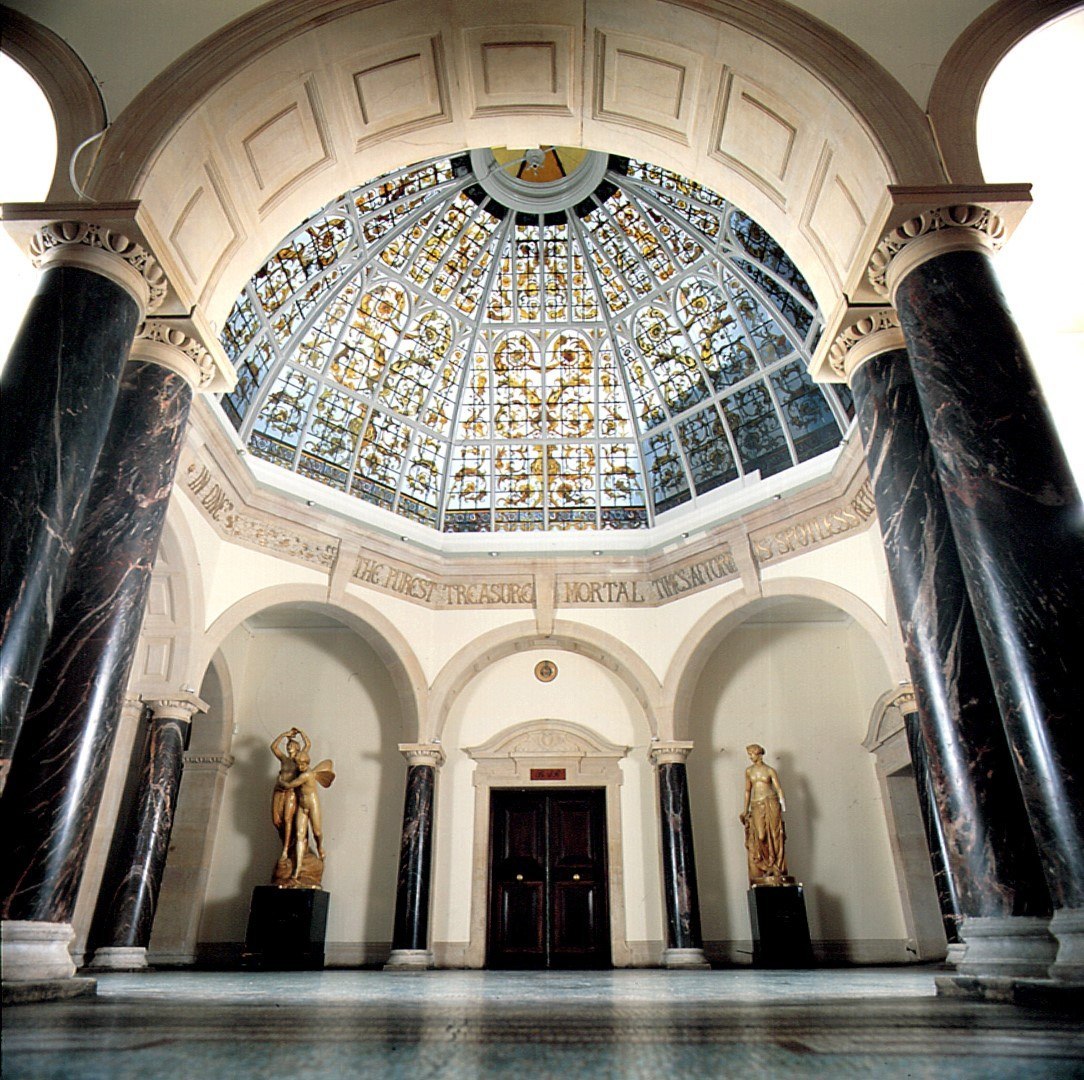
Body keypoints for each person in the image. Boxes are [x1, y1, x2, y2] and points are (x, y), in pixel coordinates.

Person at [279, 750, 335, 881]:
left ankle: (319, 846)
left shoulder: (307, 774)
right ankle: (297, 869)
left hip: (312, 804)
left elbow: (289, 785)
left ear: (306, 763)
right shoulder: (301, 772)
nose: (299, 767)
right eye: (298, 765)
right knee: (300, 835)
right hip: (302, 806)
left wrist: (280, 781)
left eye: (301, 765)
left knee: (317, 832)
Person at [739, 743, 790, 884]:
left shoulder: (770, 771)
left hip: (771, 802)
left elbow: (778, 788)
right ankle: (766, 865)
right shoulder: (749, 771)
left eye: (751, 754)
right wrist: (745, 809)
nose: (750, 757)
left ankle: (775, 866)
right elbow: (747, 791)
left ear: (759, 754)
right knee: (760, 836)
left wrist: (782, 804)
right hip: (757, 804)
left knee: (774, 835)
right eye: (749, 754)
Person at [270, 727, 309, 862]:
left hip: (291, 792)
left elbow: (308, 744)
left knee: (288, 819)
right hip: (279, 790)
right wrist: (285, 734)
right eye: (288, 745)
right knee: (276, 821)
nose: (288, 747)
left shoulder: (298, 761)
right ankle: (287, 843)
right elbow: (273, 746)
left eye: (291, 745)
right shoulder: (284, 759)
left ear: (297, 748)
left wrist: (301, 732)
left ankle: (286, 849)